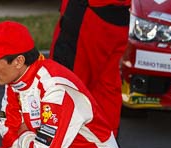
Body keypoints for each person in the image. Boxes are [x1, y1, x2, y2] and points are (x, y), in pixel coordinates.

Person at [50, 0, 131, 137]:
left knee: (66, 84)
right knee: (106, 86)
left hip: (89, 11)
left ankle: (57, 144)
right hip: (117, 14)